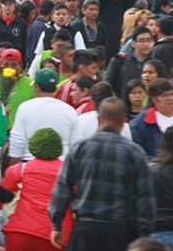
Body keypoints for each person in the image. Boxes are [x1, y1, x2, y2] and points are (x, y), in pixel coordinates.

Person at [49, 97, 155, 251]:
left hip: (85, 228)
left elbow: (62, 188)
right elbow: (144, 198)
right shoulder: (135, 152)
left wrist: (56, 224)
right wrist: (144, 233)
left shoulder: (80, 148)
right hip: (121, 231)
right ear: (123, 122)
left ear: (99, 119)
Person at [0, 128, 73, 251]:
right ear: (58, 148)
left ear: (33, 146)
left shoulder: (18, 171)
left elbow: (0, 198)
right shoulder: (69, 173)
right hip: (55, 237)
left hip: (19, 232)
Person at [9, 69, 78, 163]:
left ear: (37, 87)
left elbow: (17, 140)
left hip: (30, 163)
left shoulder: (25, 107)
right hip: (61, 165)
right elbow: (75, 143)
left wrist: (13, 167)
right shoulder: (69, 110)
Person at [130, 79, 173, 157]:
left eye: (172, 94)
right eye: (164, 95)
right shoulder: (139, 124)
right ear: (154, 99)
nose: (170, 98)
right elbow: (140, 155)